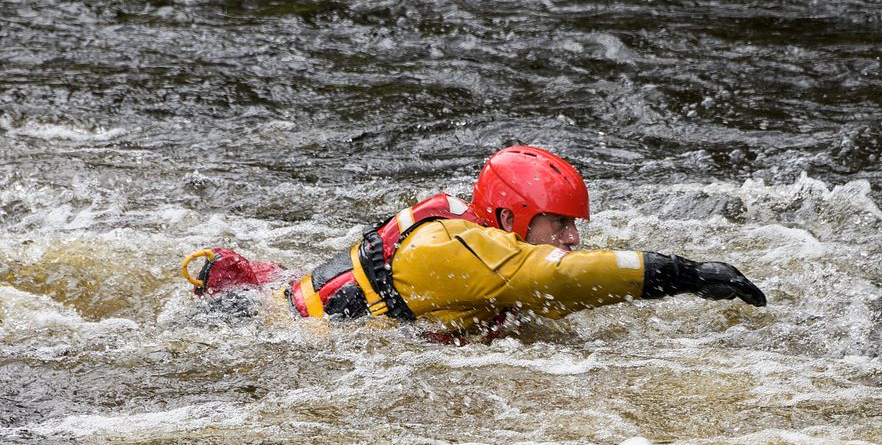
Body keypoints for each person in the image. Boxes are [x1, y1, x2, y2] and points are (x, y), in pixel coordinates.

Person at [182, 146, 766, 336]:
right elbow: (559, 279)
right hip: (272, 330)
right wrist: (688, 274)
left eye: (573, 223)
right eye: (558, 223)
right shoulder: (451, 249)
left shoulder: (487, 238)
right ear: (511, 218)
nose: (572, 236)